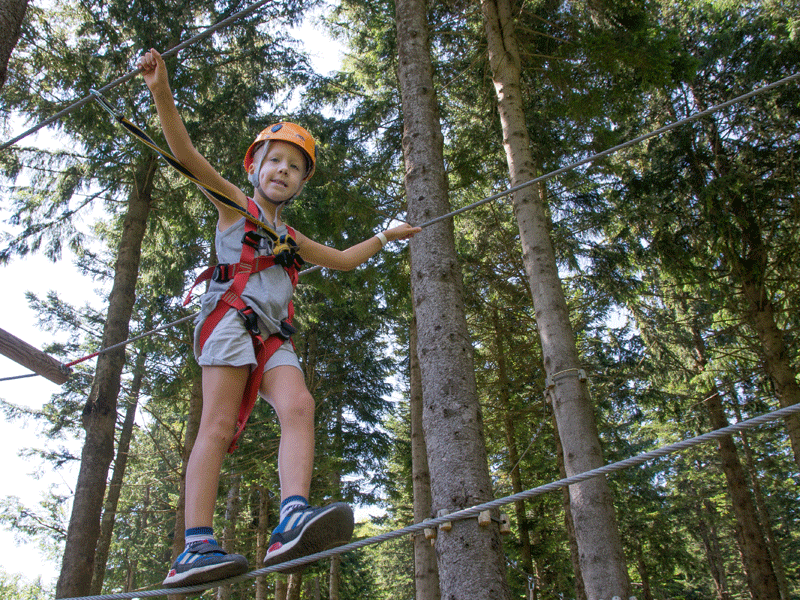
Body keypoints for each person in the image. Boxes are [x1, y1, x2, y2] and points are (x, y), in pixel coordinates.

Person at [137, 48, 420, 588]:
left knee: (300, 404)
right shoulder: (233, 205)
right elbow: (186, 153)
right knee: (217, 426)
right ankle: (193, 545)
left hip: (271, 336)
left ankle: (292, 517)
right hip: (228, 319)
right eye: (274, 162)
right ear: (254, 167)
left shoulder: (291, 238)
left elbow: (340, 259)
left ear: (301, 183)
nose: (283, 171)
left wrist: (385, 236)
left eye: (294, 167)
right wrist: (160, 88)